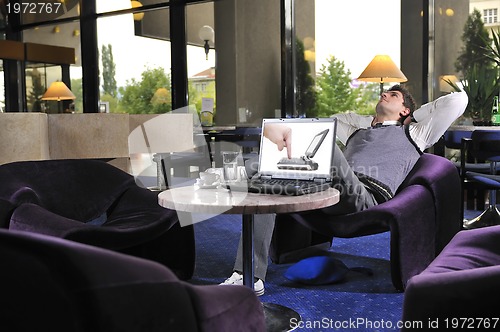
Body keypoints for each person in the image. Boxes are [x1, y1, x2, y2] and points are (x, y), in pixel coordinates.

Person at [221, 85, 469, 295]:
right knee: (262, 176)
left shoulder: (416, 132)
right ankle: (248, 276)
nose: (385, 94)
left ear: (405, 110)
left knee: (325, 144)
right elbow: (335, 120)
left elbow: (459, 100)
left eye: (394, 95)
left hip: (365, 196)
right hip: (329, 188)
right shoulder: (358, 130)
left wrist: (411, 116)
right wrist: (372, 122)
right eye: (385, 92)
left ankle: (250, 180)